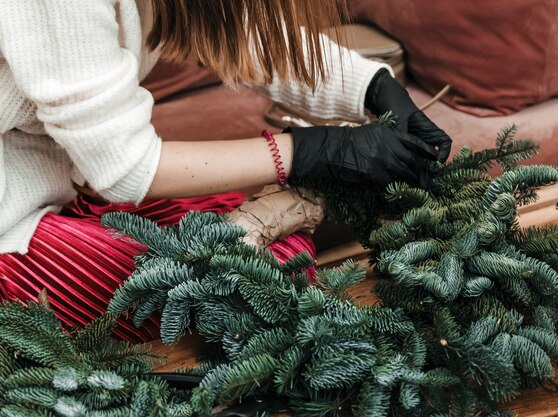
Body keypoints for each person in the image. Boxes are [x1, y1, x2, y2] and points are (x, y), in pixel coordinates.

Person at [0, 0, 452, 342]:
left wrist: (372, 88)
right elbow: (126, 167)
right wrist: (311, 150)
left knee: (274, 254)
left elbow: (240, 31)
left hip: (66, 184)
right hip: (10, 218)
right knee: (260, 283)